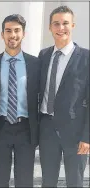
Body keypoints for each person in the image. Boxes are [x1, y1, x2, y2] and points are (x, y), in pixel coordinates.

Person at [0, 14, 41, 187]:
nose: (12, 35)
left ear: (23, 34)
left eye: (17, 31)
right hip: (1, 127)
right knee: (0, 179)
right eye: (8, 31)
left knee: (24, 180)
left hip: (26, 129)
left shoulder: (36, 63)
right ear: (2, 34)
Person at [38, 6, 89, 187]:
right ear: (50, 28)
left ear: (73, 25)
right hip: (47, 130)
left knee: (75, 182)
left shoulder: (86, 58)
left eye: (65, 23)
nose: (61, 28)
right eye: (56, 24)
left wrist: (87, 136)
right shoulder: (43, 55)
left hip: (75, 133)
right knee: (48, 181)